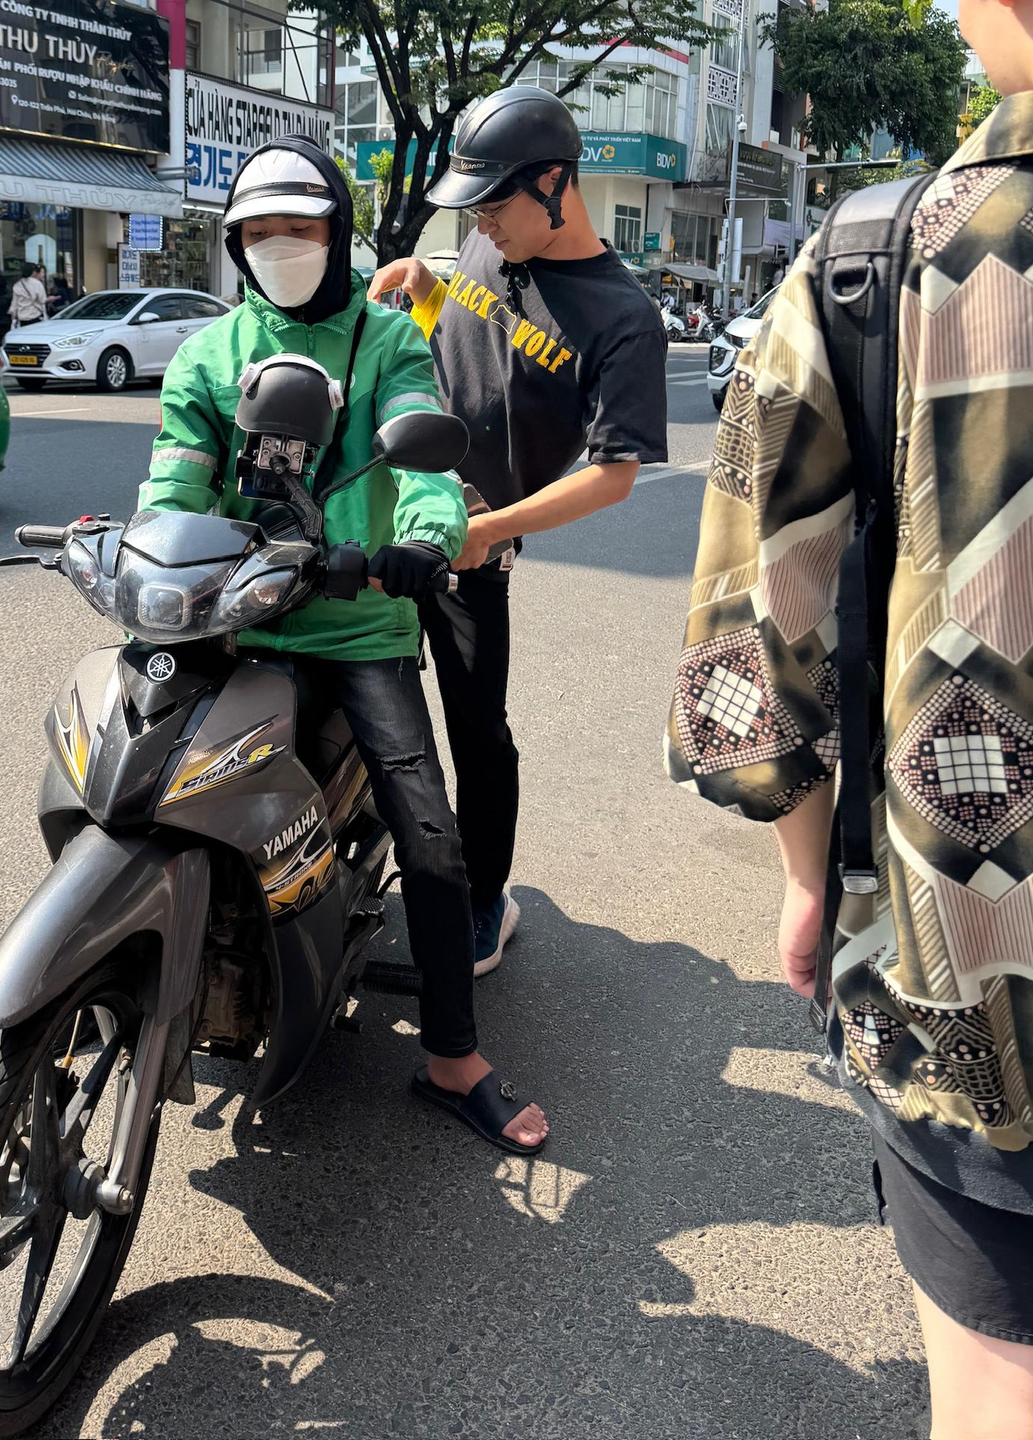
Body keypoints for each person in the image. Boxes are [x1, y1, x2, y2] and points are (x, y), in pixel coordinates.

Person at [665, 5, 1033, 1431]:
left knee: (996, 1385)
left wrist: (807, 876)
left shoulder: (870, 260)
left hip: (976, 971)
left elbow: (744, 640)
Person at [140, 136, 549, 1154]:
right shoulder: (208, 354)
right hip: (232, 617)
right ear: (234, 244)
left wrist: (426, 540)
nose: (280, 245)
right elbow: (176, 478)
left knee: (432, 834)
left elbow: (422, 455)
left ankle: (453, 1057)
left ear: (337, 233)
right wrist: (149, 548)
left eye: (301, 226)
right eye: (259, 231)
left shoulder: (387, 340)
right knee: (135, 780)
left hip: (358, 621)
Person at [367, 86, 668, 975]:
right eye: (473, 209)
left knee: (476, 732)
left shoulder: (623, 319)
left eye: (493, 205)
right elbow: (462, 349)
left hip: (473, 543)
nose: (481, 224)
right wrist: (424, 287)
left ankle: (484, 902)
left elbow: (614, 475)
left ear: (554, 183)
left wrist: (491, 530)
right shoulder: (487, 241)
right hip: (385, 503)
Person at [11, 262, 48, 328]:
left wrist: (13, 319)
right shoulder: (37, 283)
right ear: (33, 272)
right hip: (34, 316)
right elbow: (42, 300)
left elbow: (14, 305)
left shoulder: (17, 285)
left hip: (22, 318)